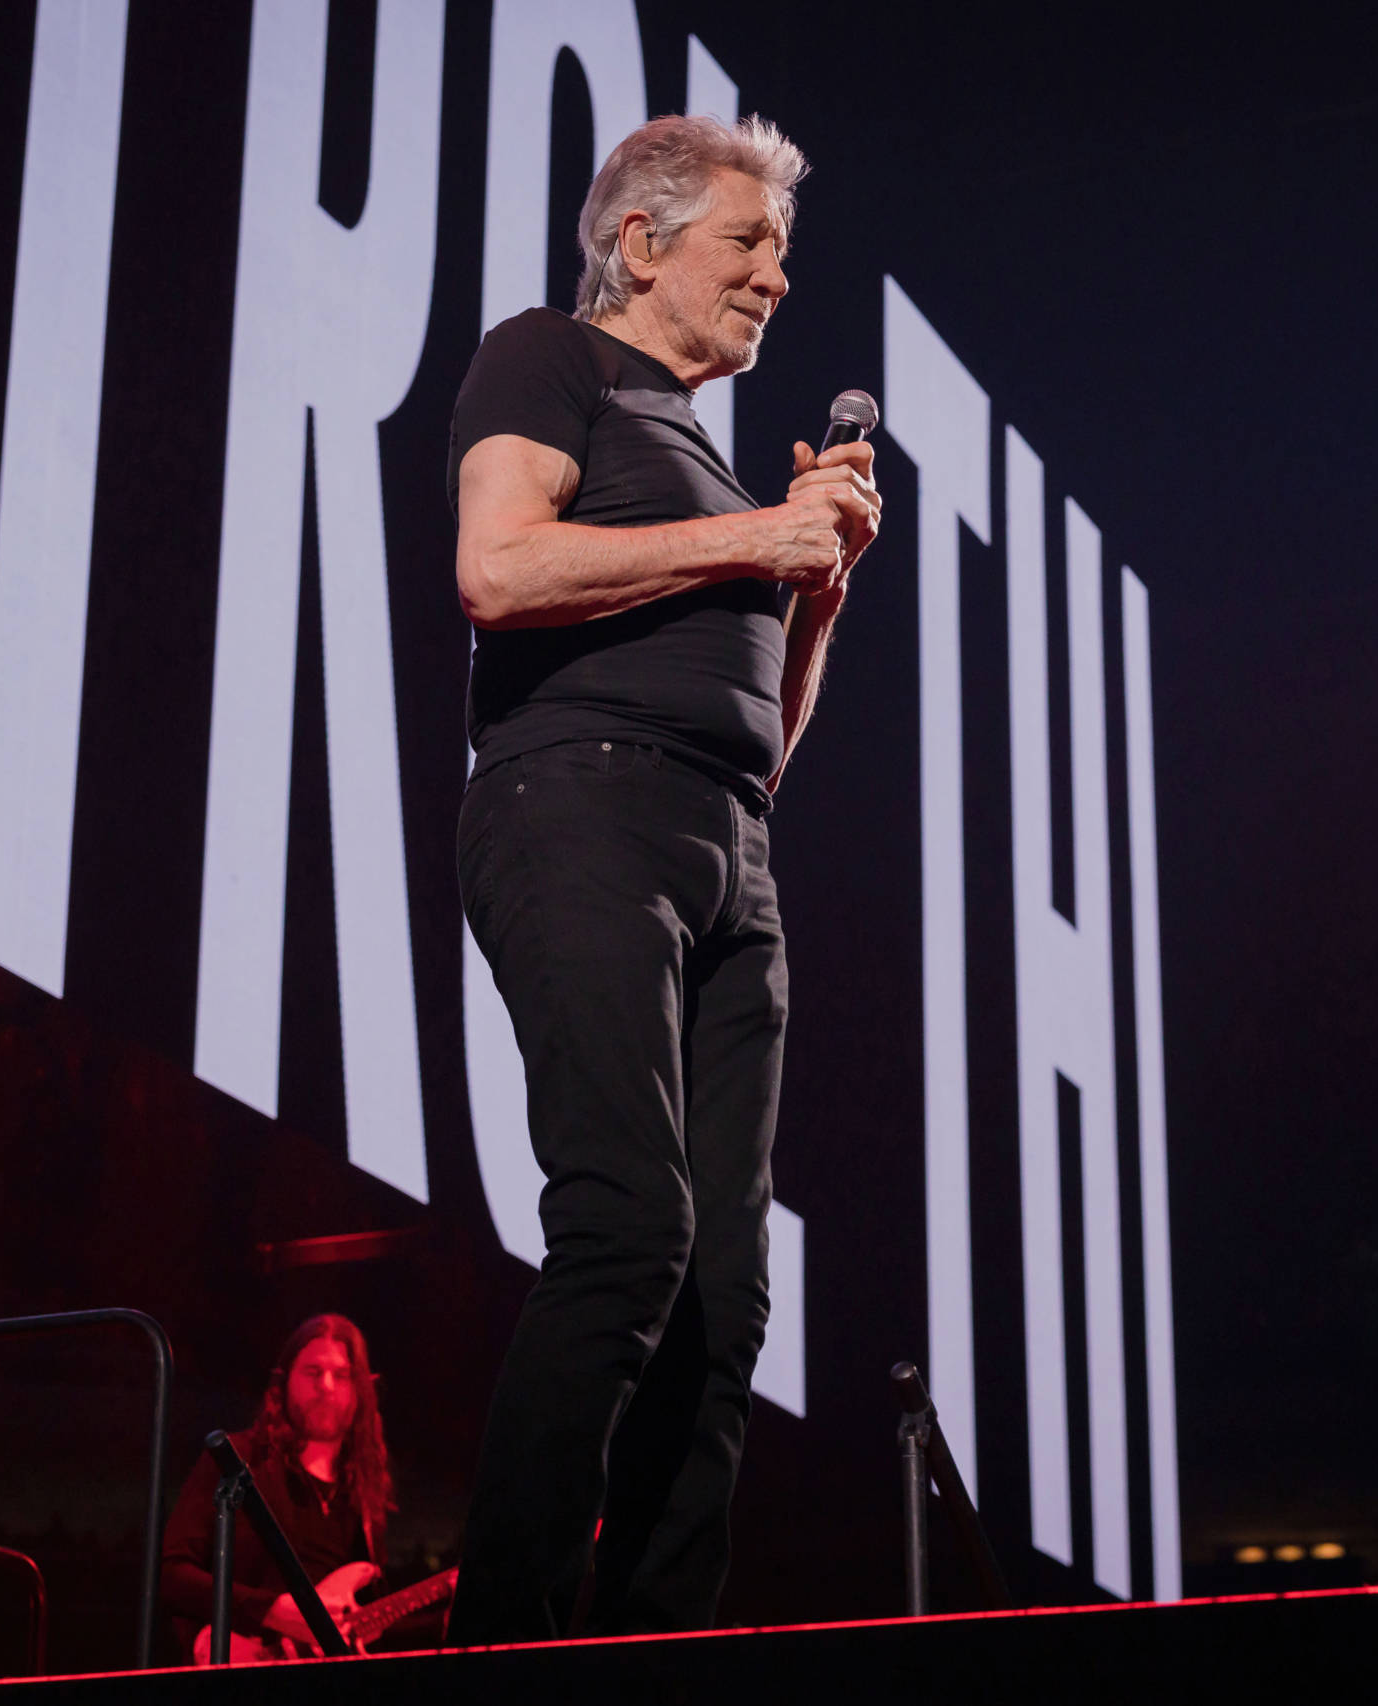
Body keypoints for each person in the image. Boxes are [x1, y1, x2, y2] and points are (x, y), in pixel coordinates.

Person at [445, 112, 880, 1645]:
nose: (773, 277)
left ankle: (654, 1650)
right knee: (628, 1228)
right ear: (642, 243)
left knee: (727, 1301)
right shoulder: (548, 362)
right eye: (744, 243)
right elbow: (497, 569)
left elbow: (762, 744)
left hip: (726, 851)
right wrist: (766, 529)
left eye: (781, 253)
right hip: (581, 811)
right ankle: (502, 1637)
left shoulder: (700, 454)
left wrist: (810, 589)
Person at [158, 1316, 394, 1660]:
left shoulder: (361, 1490)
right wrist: (270, 1611)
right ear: (283, 1382)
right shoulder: (235, 1461)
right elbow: (172, 1574)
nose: (326, 1385)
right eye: (313, 1372)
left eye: (342, 1375)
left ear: (362, 1390)